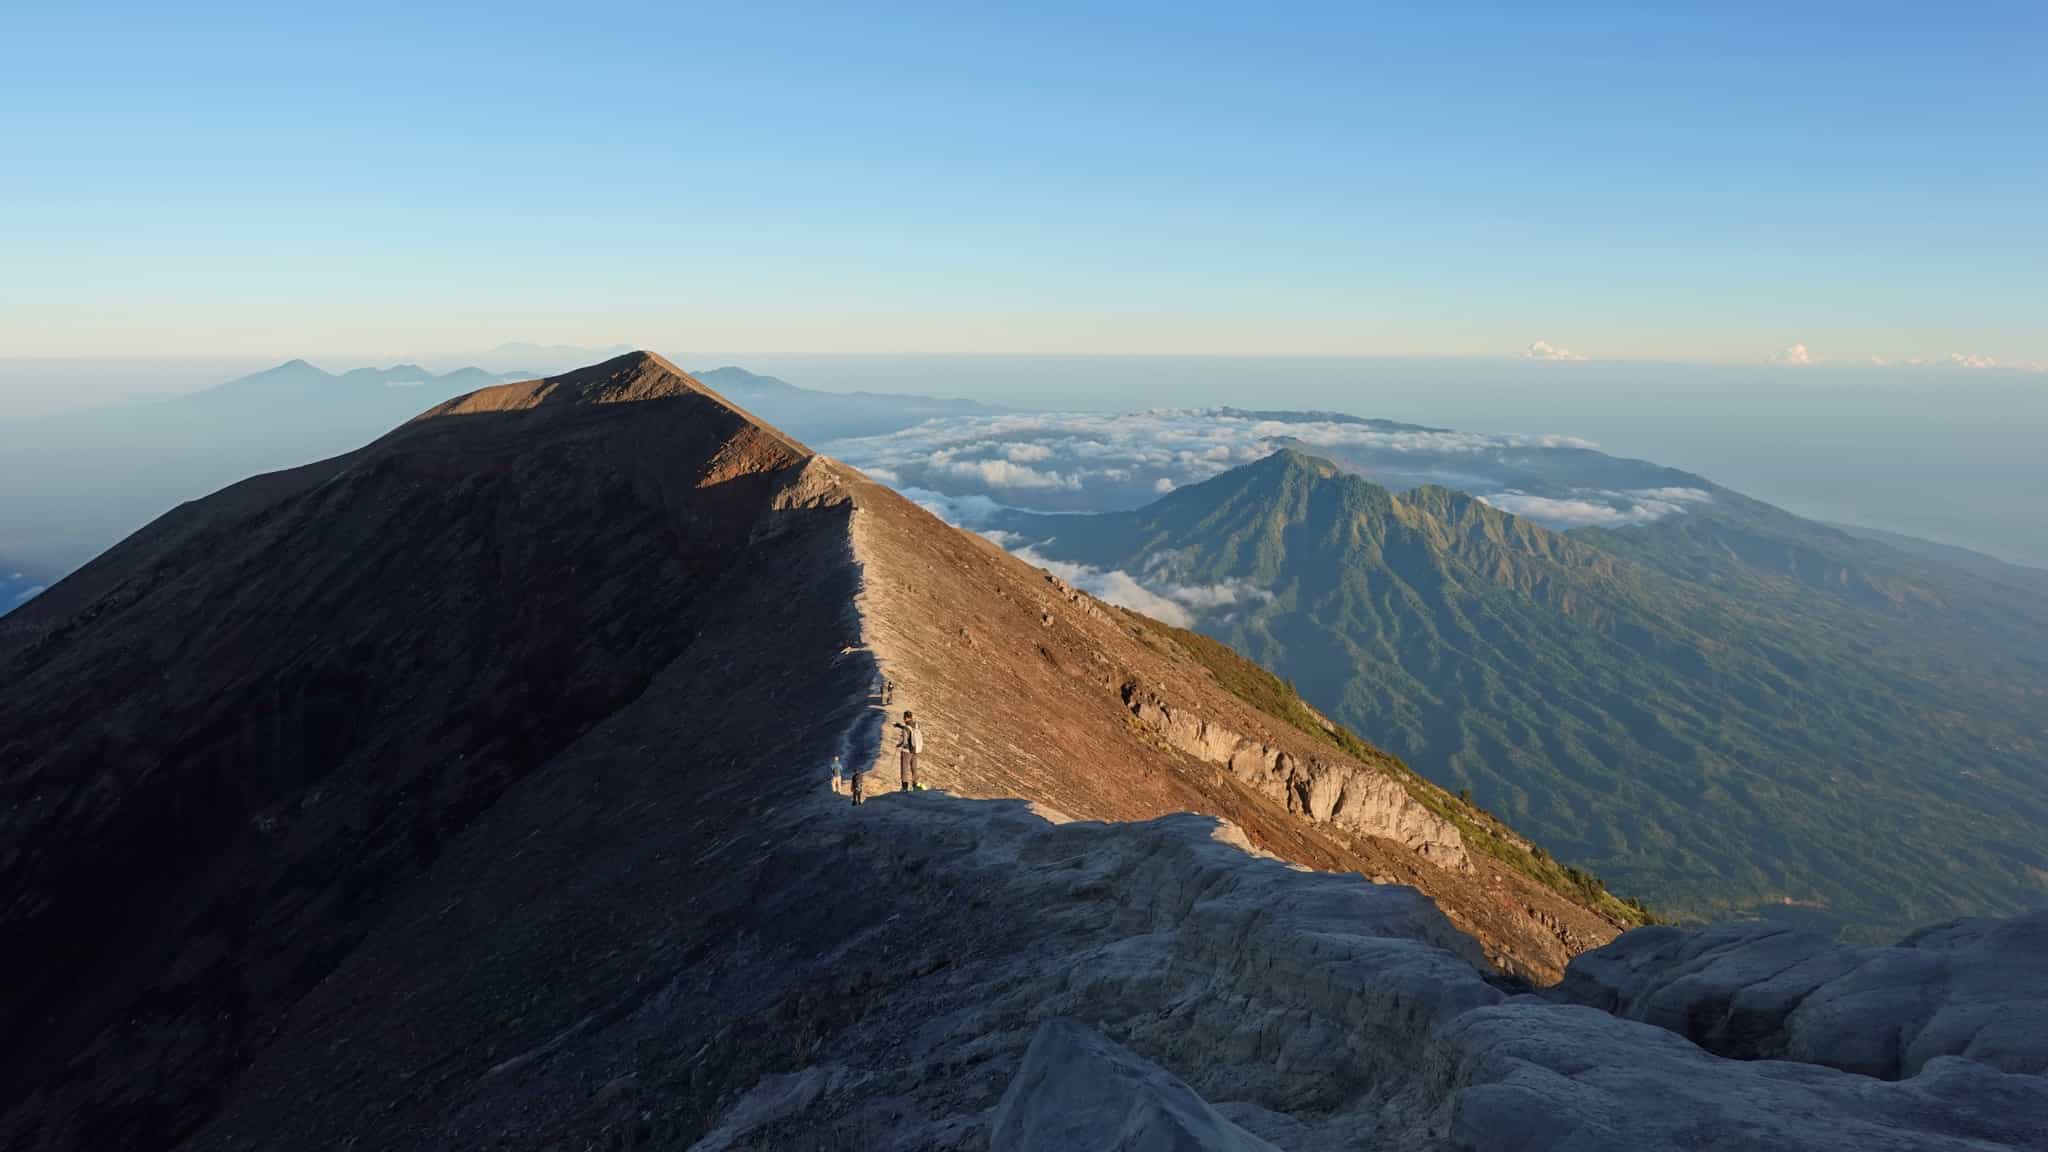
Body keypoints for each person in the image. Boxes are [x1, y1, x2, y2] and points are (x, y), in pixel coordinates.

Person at [893, 710, 923, 791]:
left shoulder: (906, 728)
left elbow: (905, 741)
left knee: (904, 769)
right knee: (914, 767)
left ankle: (904, 786)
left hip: (907, 751)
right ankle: (915, 784)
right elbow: (909, 728)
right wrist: (900, 726)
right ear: (911, 717)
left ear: (905, 718)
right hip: (915, 750)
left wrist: (899, 745)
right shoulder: (916, 725)